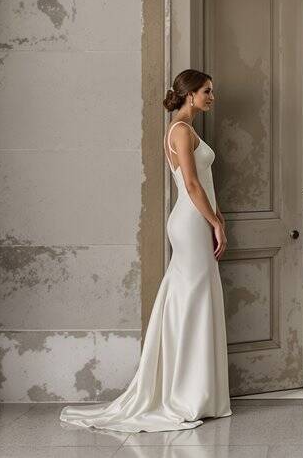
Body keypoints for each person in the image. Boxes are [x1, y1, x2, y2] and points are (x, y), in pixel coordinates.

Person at [60, 69, 232, 432]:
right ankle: (185, 394)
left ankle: (196, 390)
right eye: (207, 91)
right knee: (191, 300)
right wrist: (214, 222)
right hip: (189, 222)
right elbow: (190, 183)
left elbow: (203, 184)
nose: (212, 97)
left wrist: (218, 218)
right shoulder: (181, 130)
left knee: (192, 299)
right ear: (190, 95)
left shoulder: (188, 128)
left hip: (197, 219)